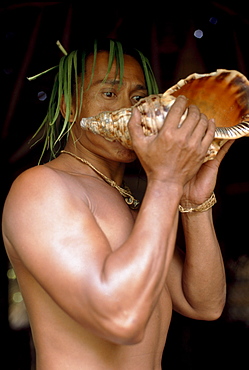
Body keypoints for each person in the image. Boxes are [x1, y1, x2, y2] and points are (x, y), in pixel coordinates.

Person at [2, 39, 233, 370]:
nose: (129, 109)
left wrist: (193, 202)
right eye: (109, 94)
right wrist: (166, 181)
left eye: (139, 98)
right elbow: (121, 318)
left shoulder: (136, 205)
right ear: (69, 106)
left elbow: (205, 305)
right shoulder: (41, 187)